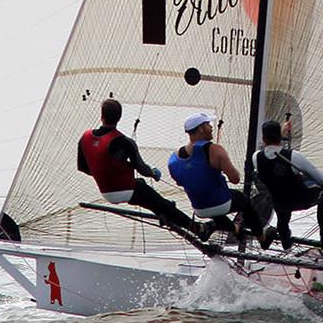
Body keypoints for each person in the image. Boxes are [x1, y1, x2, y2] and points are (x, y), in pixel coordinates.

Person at [78, 98, 203, 237]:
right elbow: (142, 169)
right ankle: (197, 228)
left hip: (106, 192)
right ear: (119, 118)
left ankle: (165, 213)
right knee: (161, 203)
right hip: (126, 190)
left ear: (101, 116)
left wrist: (103, 172)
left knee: (144, 189)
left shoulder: (85, 137)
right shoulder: (124, 141)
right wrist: (154, 173)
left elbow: (83, 167)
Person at [168, 112, 269, 243]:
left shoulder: (174, 159)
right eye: (208, 125)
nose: (212, 127)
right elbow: (235, 179)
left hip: (199, 209)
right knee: (243, 201)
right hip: (221, 203)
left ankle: (228, 228)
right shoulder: (215, 150)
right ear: (200, 129)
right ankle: (262, 238)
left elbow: (180, 182)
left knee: (212, 202)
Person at [253, 119, 323, 250]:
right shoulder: (294, 156)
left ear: (263, 138)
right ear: (280, 137)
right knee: (322, 193)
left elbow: (268, 153)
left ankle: (286, 243)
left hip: (279, 203)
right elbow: (322, 180)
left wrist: (282, 130)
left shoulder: (256, 158)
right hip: (301, 201)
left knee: (281, 208)